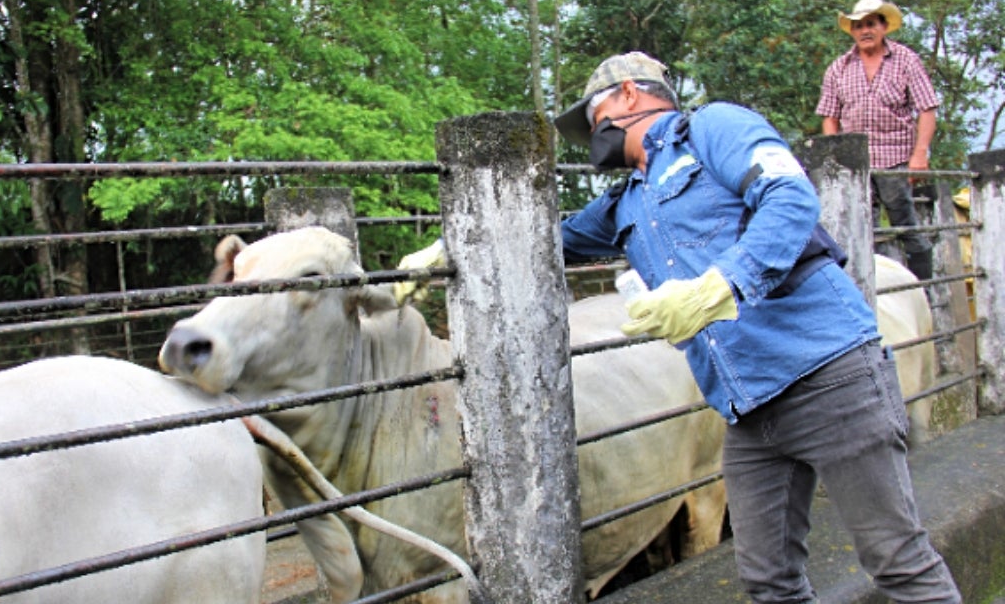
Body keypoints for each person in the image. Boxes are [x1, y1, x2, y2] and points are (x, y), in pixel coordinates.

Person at [394, 51, 961, 603]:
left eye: (593, 117)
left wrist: (722, 285)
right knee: (769, 581)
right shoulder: (625, 204)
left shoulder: (715, 128)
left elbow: (789, 197)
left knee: (896, 560)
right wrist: (445, 252)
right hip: (748, 411)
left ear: (628, 94)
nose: (592, 133)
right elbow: (541, 237)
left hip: (827, 376)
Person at [816, 0, 939, 280]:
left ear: (884, 26)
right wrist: (834, 160)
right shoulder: (839, 67)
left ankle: (924, 287)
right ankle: (864, 291)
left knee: (903, 222)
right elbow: (829, 116)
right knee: (857, 228)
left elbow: (927, 108)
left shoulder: (906, 60)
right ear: (852, 31)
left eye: (870, 24)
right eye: (858, 26)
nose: (864, 31)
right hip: (853, 162)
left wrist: (920, 154)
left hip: (894, 156)